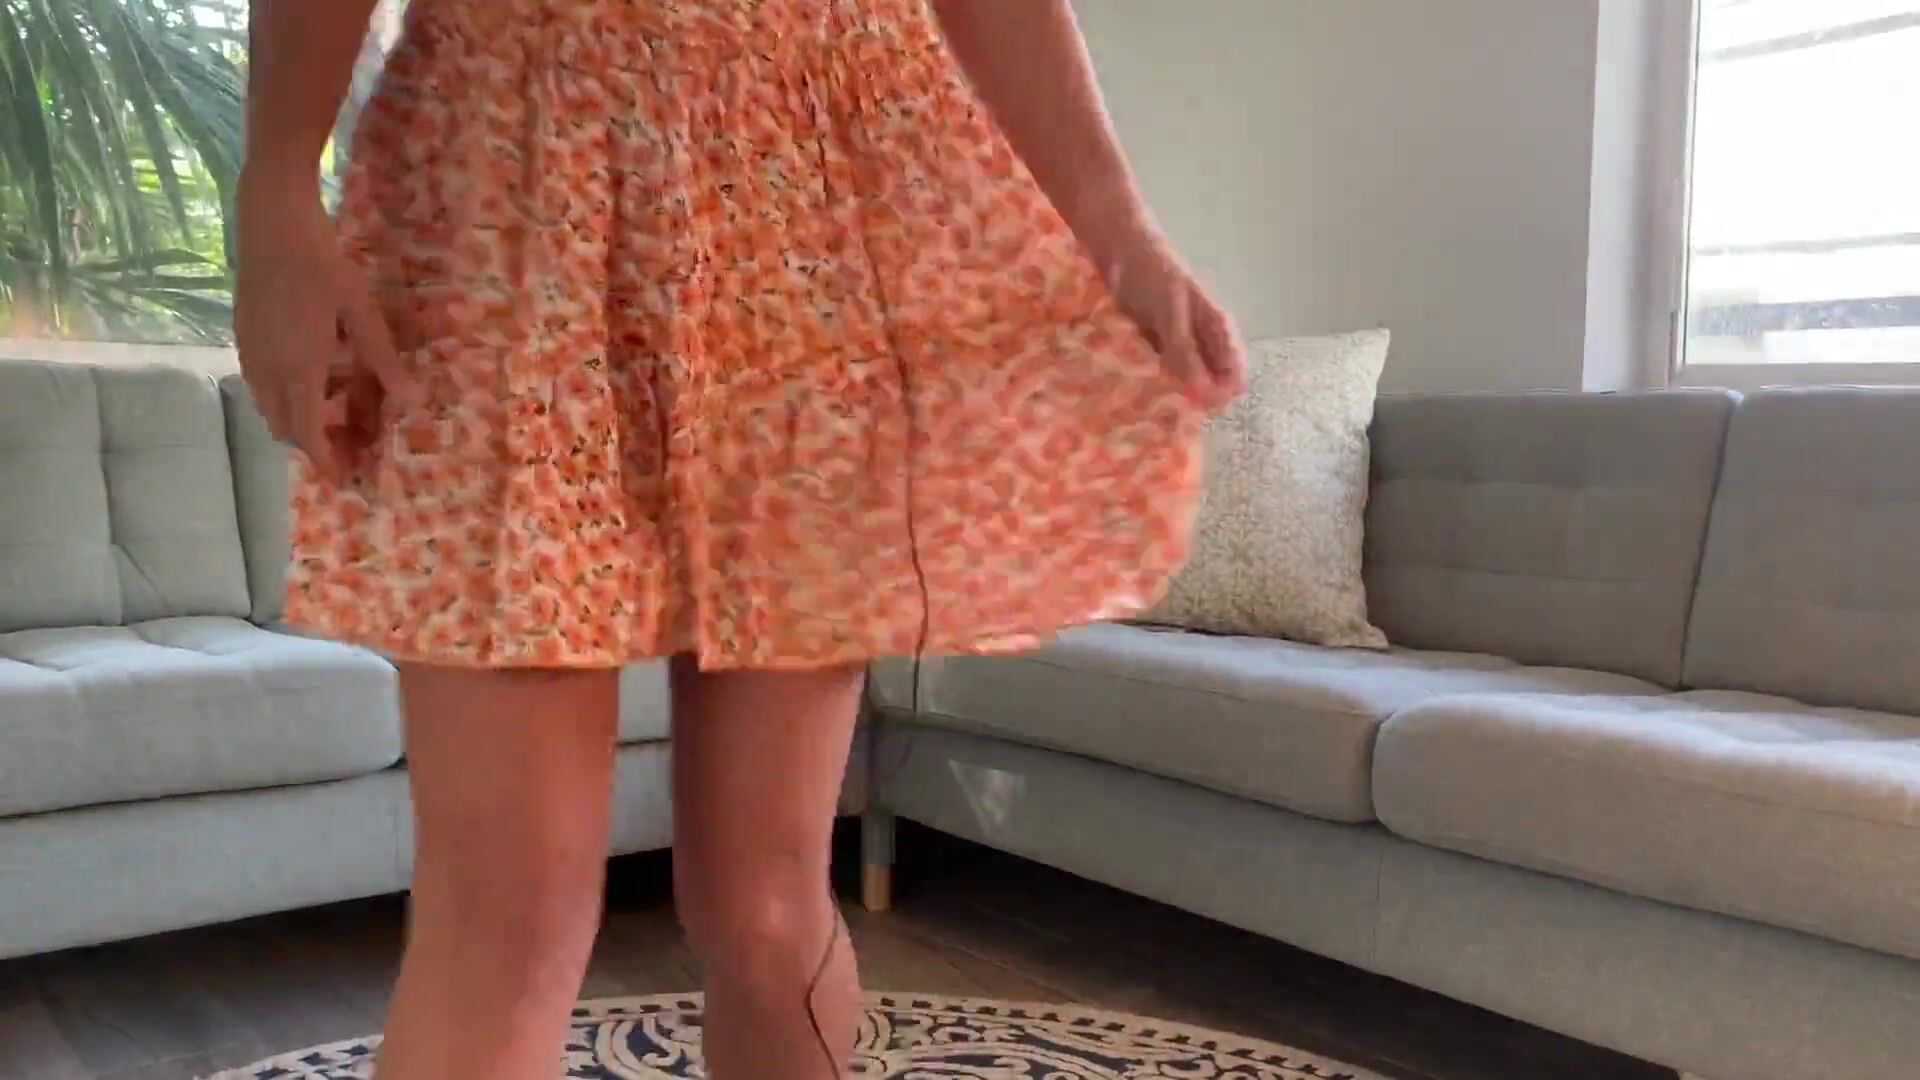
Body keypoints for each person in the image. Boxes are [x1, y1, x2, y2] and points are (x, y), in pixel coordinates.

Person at [235, 0, 1245, 1076]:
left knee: (763, 909)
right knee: (506, 915)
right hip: (502, 172)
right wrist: (277, 184)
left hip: (807, 197)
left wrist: (1116, 224)